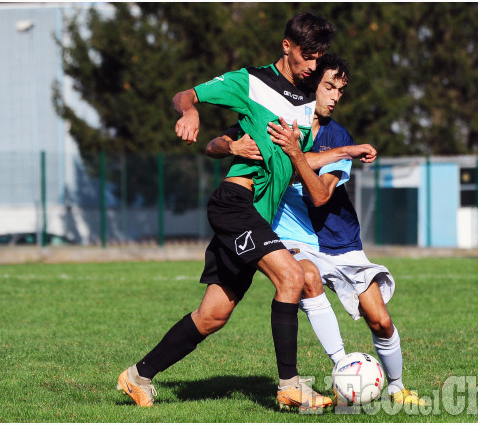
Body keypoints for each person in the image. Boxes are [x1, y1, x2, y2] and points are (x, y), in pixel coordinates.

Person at [117, 12, 339, 411]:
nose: (312, 65)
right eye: (307, 55)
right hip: (234, 205)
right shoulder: (250, 82)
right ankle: (289, 385)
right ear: (286, 46)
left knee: (212, 315)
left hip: (257, 218)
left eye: (318, 57)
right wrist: (190, 113)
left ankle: (137, 375)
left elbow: (299, 156)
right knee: (291, 276)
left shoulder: (310, 100)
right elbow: (185, 95)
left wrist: (348, 150)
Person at [207, 53, 425, 406]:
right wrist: (230, 145)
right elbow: (212, 145)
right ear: (310, 85)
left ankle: (399, 389)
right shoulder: (276, 118)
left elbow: (321, 195)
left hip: (341, 241)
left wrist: (295, 154)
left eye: (341, 90)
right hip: (296, 239)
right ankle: (343, 368)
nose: (335, 97)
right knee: (304, 277)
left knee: (380, 320)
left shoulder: (337, 135)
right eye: (329, 87)